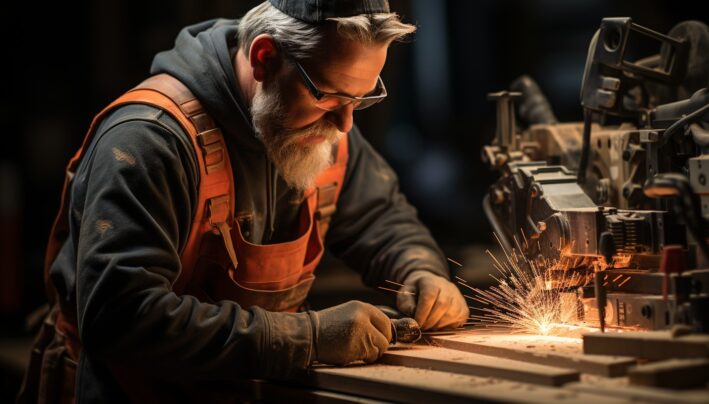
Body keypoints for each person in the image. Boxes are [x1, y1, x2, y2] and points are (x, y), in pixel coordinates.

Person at [18, 0, 469, 402]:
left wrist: (420, 271)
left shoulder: (320, 126)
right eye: (330, 96)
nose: (345, 124)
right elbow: (120, 317)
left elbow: (381, 220)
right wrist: (307, 339)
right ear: (265, 58)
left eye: (361, 99)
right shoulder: (149, 140)